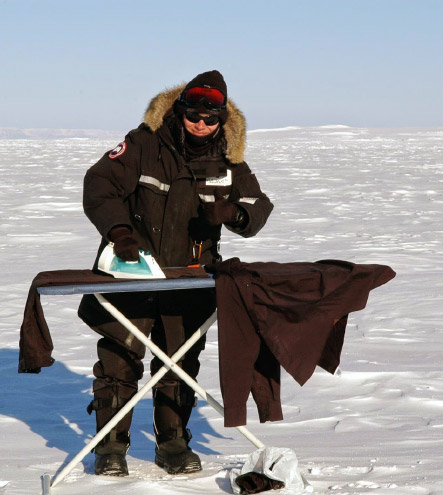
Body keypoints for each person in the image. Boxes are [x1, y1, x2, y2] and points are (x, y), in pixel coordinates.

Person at [77, 70, 274, 476]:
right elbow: (100, 185)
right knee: (119, 359)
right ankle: (110, 448)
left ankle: (172, 444)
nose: (200, 125)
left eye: (210, 119)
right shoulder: (143, 144)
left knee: (180, 362)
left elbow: (258, 207)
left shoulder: (229, 161)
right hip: (132, 271)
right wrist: (118, 233)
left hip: (191, 279)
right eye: (193, 115)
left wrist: (234, 213)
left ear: (222, 121)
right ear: (180, 109)